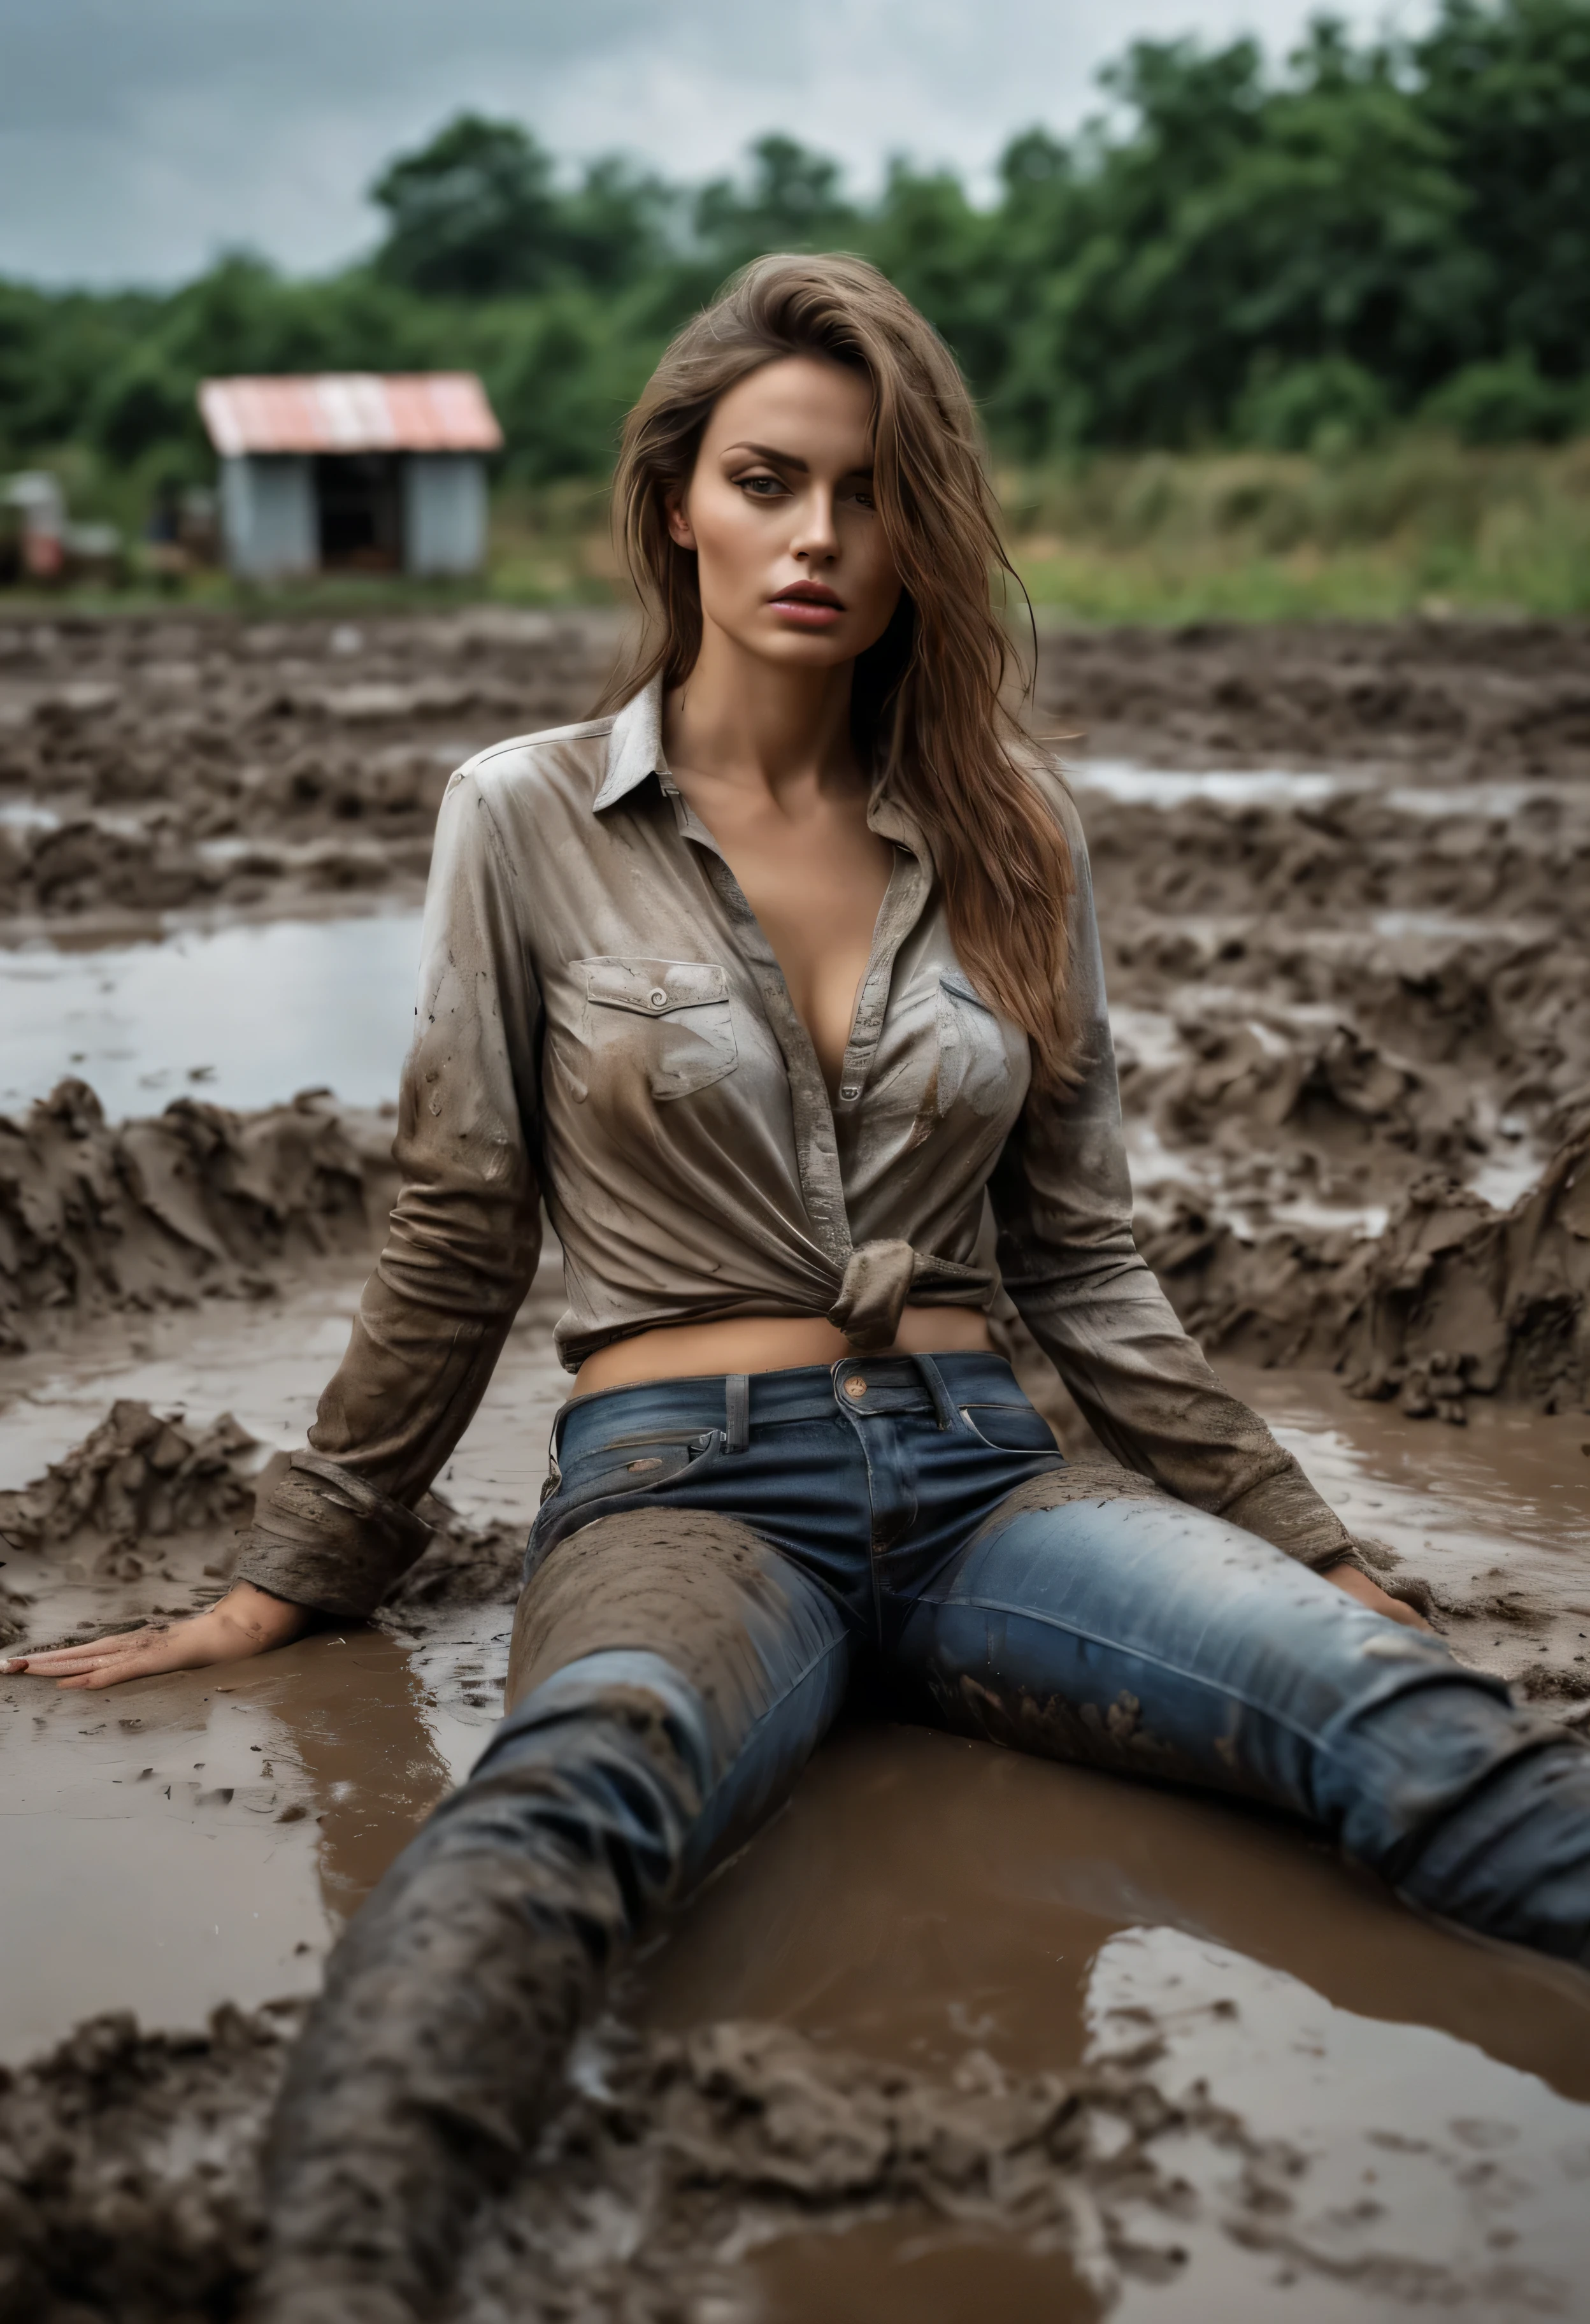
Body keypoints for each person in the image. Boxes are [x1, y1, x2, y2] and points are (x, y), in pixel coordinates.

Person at [10, 255, 1587, 2317]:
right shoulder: (525, 817)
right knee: (567, 1802)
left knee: (1401, 1718)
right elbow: (459, 1226)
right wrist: (294, 1570)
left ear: (922, 526)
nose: (821, 538)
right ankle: (343, 2272)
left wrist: (1310, 1539)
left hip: (988, 1487)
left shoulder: (1016, 835)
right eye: (770, 479)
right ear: (680, 497)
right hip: (687, 1490)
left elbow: (1088, 1259)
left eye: (871, 493)